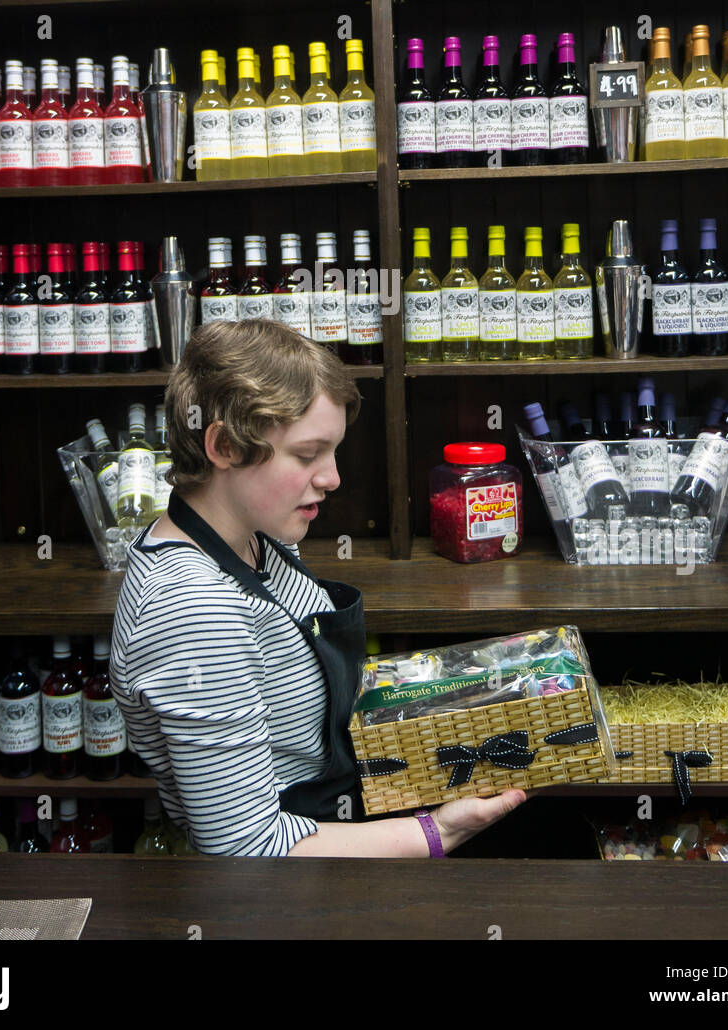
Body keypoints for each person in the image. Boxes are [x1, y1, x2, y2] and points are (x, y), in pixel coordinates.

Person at [109, 318, 526, 856]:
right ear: (224, 447)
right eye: (308, 455)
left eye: (332, 453)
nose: (332, 478)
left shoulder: (255, 533)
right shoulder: (192, 609)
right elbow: (247, 849)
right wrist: (440, 831)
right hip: (285, 894)